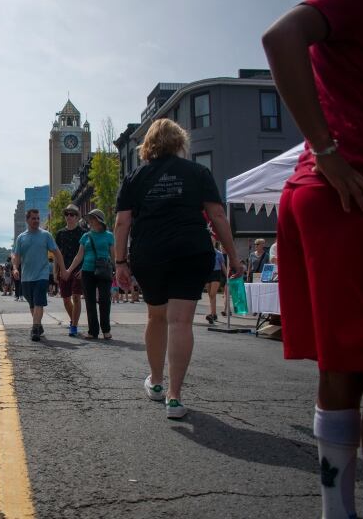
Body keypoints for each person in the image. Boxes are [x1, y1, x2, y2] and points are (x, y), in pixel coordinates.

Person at [263, 0, 363, 515]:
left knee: (343, 366)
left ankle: (337, 512)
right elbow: (279, 38)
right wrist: (328, 153)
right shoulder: (355, 3)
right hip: (355, 192)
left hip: (322, 193)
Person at [114, 119, 241, 420]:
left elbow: (122, 222)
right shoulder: (198, 172)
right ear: (179, 142)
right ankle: (175, 397)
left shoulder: (135, 177)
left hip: (150, 252)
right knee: (181, 322)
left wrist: (120, 262)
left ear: (148, 145)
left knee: (156, 316)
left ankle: (156, 382)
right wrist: (234, 257)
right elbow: (218, 216)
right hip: (191, 250)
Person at [12, 209, 64, 342]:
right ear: (27, 220)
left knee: (39, 302)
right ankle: (39, 325)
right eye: (33, 218)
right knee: (32, 304)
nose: (36, 221)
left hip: (42, 275)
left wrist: (63, 269)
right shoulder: (21, 238)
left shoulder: (46, 235)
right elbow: (17, 256)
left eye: (37, 218)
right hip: (26, 277)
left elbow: (57, 252)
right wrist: (15, 269)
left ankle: (35, 329)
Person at [63, 209, 115, 340]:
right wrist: (69, 270)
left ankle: (106, 329)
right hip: (87, 271)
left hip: (104, 271)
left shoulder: (109, 236)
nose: (89, 221)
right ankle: (93, 331)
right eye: (89, 219)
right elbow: (79, 256)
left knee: (104, 300)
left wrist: (117, 269)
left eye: (91, 218)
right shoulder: (85, 236)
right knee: (90, 301)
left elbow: (113, 256)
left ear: (99, 220)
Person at [55, 204, 84, 336]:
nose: (69, 217)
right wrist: (56, 271)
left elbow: (87, 253)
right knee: (66, 299)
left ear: (77, 217)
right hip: (63, 269)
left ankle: (74, 326)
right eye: (67, 214)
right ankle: (73, 320)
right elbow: (57, 253)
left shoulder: (84, 233)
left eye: (72, 214)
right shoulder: (60, 233)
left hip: (78, 269)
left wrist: (84, 268)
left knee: (76, 297)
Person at [205, 241, 226, 324]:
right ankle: (213, 313)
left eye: (212, 241)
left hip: (216, 273)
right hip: (207, 273)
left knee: (213, 294)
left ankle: (212, 314)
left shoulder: (219, 253)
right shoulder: (205, 252)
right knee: (210, 295)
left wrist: (227, 276)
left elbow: (223, 265)